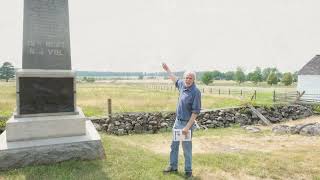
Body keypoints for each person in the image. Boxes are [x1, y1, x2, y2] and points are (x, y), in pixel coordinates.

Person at [162, 62, 201, 178]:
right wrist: (167, 69)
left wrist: (187, 127)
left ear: (194, 80)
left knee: (186, 148)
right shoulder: (182, 85)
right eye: (186, 78)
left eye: (190, 78)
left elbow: (195, 112)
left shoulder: (195, 92)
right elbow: (174, 79)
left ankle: (188, 171)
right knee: (174, 146)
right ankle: (173, 167)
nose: (188, 80)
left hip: (185, 124)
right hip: (177, 122)